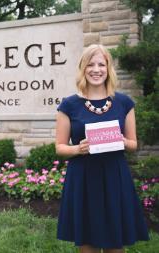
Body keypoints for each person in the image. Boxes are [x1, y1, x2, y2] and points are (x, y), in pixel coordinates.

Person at [55, 44, 149, 253]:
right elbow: (60, 147)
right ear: (83, 68)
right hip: (84, 177)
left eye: (101, 64)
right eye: (90, 64)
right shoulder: (69, 105)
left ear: (108, 68)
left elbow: (133, 144)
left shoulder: (124, 103)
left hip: (114, 176)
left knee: (115, 243)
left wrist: (121, 141)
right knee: (87, 242)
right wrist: (77, 149)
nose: (96, 70)